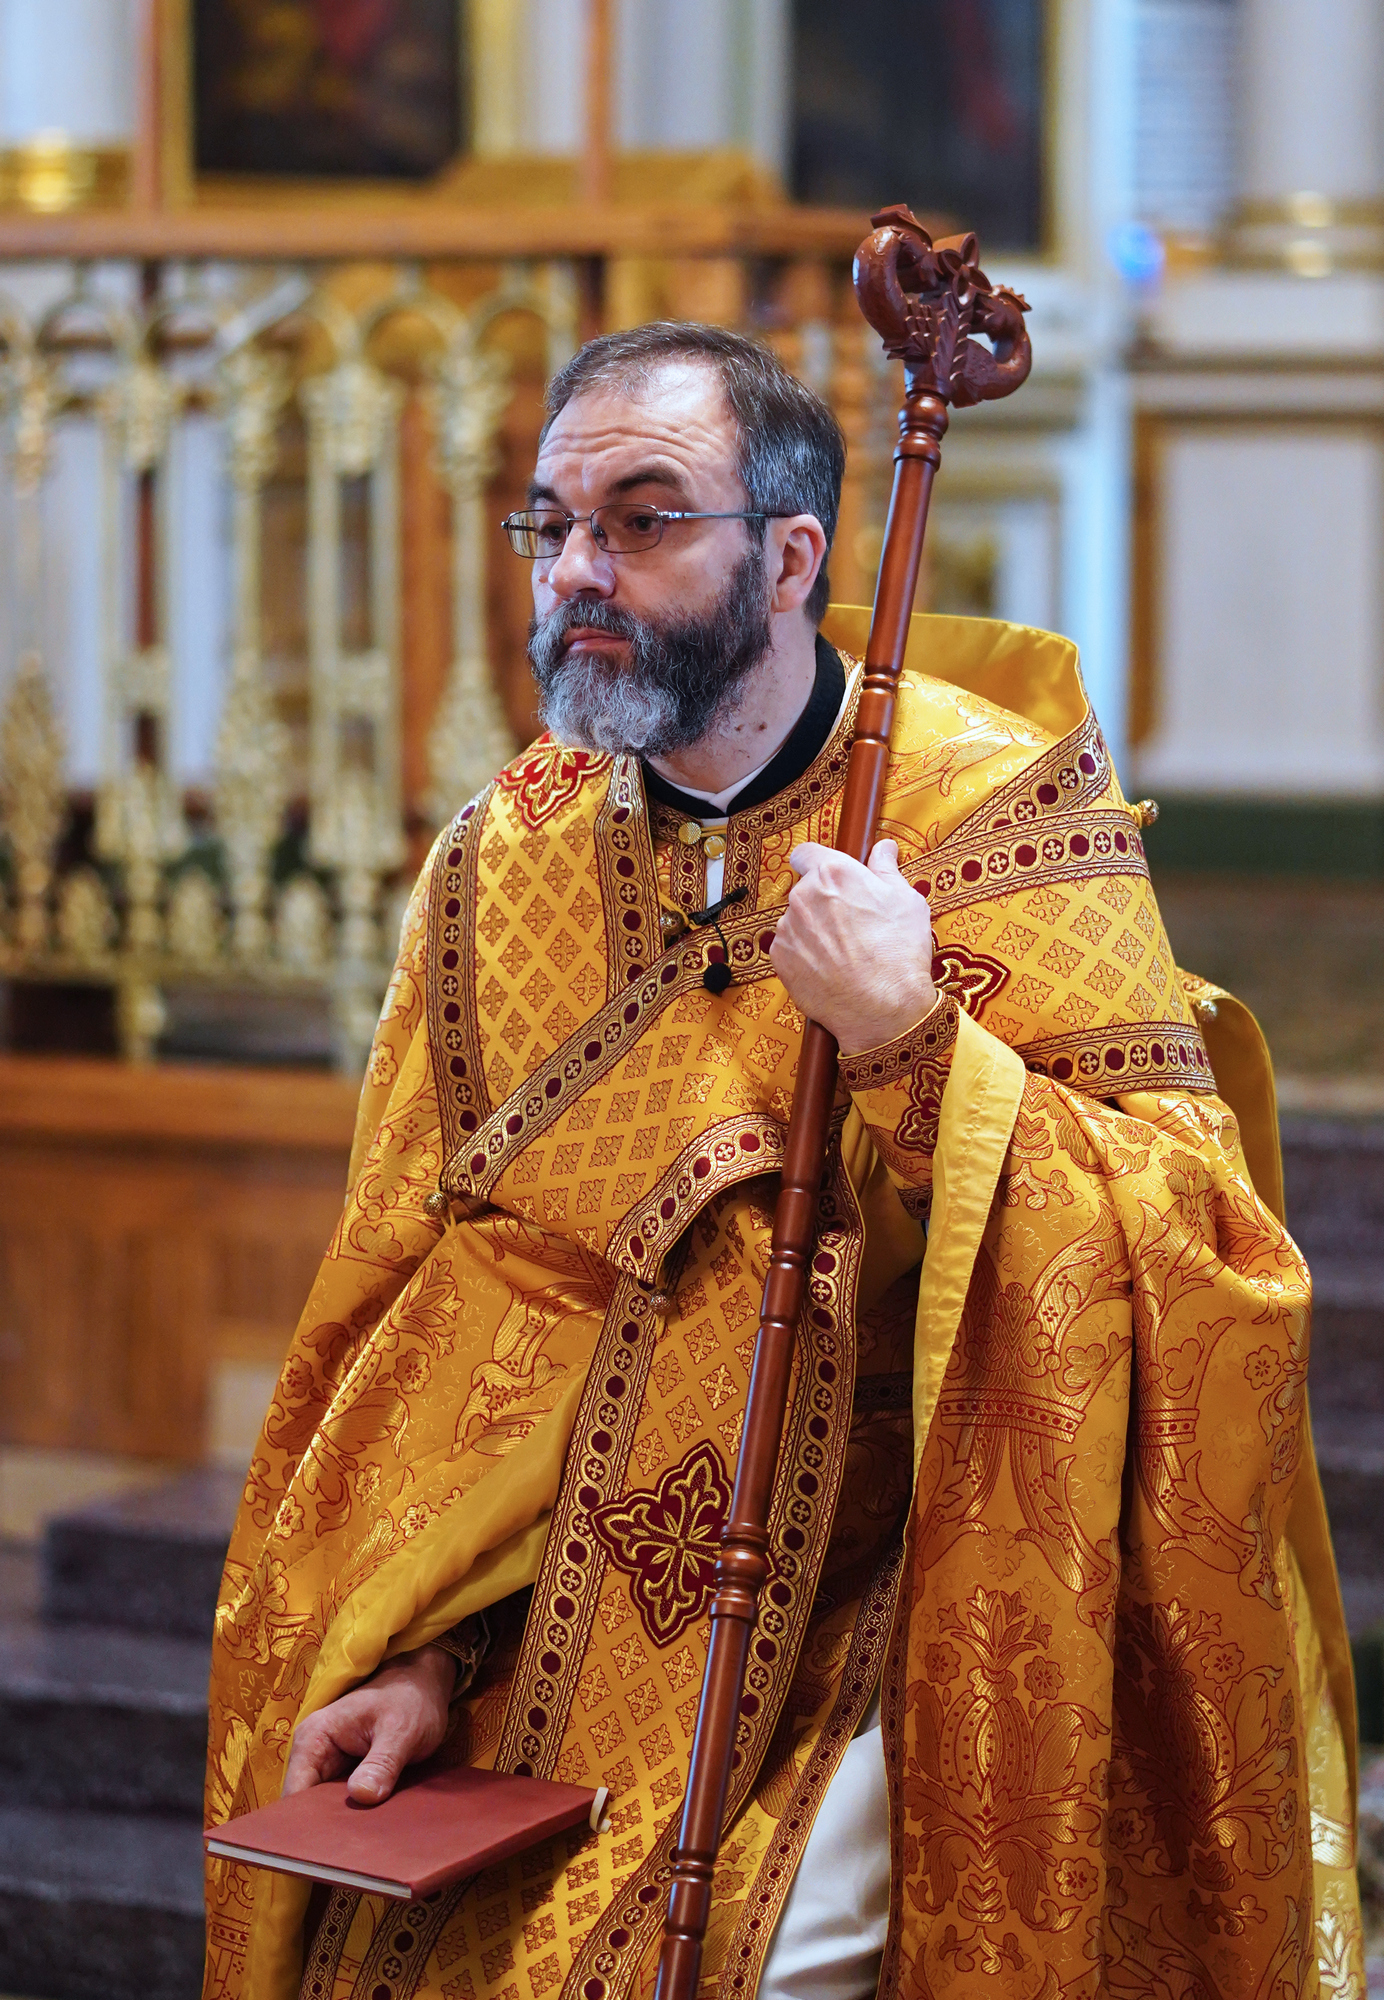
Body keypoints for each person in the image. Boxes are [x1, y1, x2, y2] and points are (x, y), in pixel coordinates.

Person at [204, 324, 1361, 2000]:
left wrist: (915, 1048)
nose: (580, 569)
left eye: (644, 517)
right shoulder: (499, 861)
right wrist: (437, 1648)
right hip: (566, 1612)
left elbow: (1201, 1254)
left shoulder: (991, 814)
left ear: (792, 555)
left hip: (895, 1587)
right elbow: (432, 1312)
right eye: (552, 523)